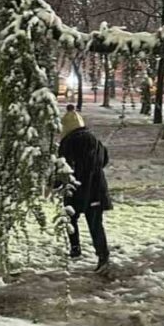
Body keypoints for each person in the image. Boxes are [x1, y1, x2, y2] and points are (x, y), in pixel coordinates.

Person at [58, 104, 112, 273]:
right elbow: (104, 160)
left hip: (77, 189)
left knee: (70, 218)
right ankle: (103, 256)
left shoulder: (68, 142)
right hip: (96, 189)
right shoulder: (95, 140)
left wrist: (56, 184)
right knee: (96, 224)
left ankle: (75, 248)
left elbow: (63, 167)